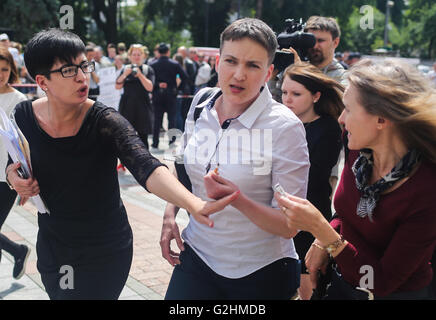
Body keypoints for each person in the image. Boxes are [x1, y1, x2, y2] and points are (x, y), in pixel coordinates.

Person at [5, 28, 239, 300]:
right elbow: (16, 163)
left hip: (104, 249)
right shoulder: (22, 116)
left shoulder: (105, 120)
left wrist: (192, 203)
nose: (82, 77)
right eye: (69, 70)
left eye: (84, 65)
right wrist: (14, 179)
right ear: (42, 81)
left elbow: (146, 166)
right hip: (54, 246)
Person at [161, 18, 309, 300]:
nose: (239, 74)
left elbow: (290, 225)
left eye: (253, 65)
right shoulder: (201, 102)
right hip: (197, 258)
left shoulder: (285, 127)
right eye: (231, 61)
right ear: (218, 62)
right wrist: (171, 214)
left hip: (260, 271)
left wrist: (238, 198)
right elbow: (179, 163)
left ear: (269, 73)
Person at [276, 59, 436, 300]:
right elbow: (345, 213)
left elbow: (379, 281)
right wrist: (322, 241)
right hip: (342, 285)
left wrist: (321, 230)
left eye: (349, 109)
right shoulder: (357, 148)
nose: (340, 118)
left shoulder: (427, 188)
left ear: (381, 120)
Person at [281, 62, 344, 299]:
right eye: (284, 92)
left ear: (316, 96)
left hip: (310, 215)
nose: (288, 99)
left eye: (296, 94)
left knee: (307, 284)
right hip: (280, 212)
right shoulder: (281, 122)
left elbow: (314, 177)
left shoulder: (327, 128)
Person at [0, 47, 30, 279]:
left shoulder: (19, 101)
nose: (0, 74)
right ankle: (17, 250)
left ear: (12, 70)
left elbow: (23, 143)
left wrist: (23, 178)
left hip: (6, 176)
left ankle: (18, 250)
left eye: (5, 69)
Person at [149, 43, 188, 149]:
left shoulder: (153, 64)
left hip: (157, 94)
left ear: (158, 52)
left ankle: (155, 142)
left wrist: (156, 85)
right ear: (168, 52)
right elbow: (185, 77)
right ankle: (171, 141)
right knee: (172, 119)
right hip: (171, 94)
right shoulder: (174, 64)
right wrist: (178, 89)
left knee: (157, 119)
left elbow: (149, 80)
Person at [116, 44, 155, 149]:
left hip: (143, 106)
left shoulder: (147, 69)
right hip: (127, 106)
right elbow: (117, 86)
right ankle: (125, 162)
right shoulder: (125, 69)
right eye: (134, 55)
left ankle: (145, 161)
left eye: (139, 54)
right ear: (130, 56)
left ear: (143, 56)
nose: (136, 57)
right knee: (127, 135)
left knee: (143, 137)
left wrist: (140, 75)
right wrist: (125, 74)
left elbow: (150, 88)